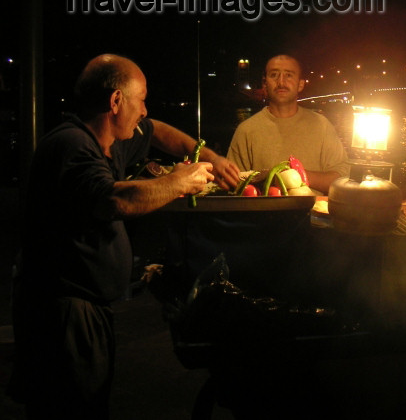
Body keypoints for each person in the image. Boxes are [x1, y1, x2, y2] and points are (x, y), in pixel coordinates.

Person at [9, 53, 240, 419]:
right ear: (116, 101)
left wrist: (209, 154)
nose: (145, 110)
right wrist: (179, 181)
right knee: (68, 407)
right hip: (63, 313)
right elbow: (114, 199)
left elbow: (157, 131)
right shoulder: (72, 146)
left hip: (86, 309)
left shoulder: (108, 140)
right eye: (141, 99)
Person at [226, 54, 349, 194]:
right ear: (265, 84)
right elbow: (234, 185)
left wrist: (295, 175)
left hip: (315, 214)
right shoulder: (246, 131)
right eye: (274, 75)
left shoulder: (322, 126)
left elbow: (343, 179)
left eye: (289, 75)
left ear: (300, 84)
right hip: (263, 215)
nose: (281, 82)